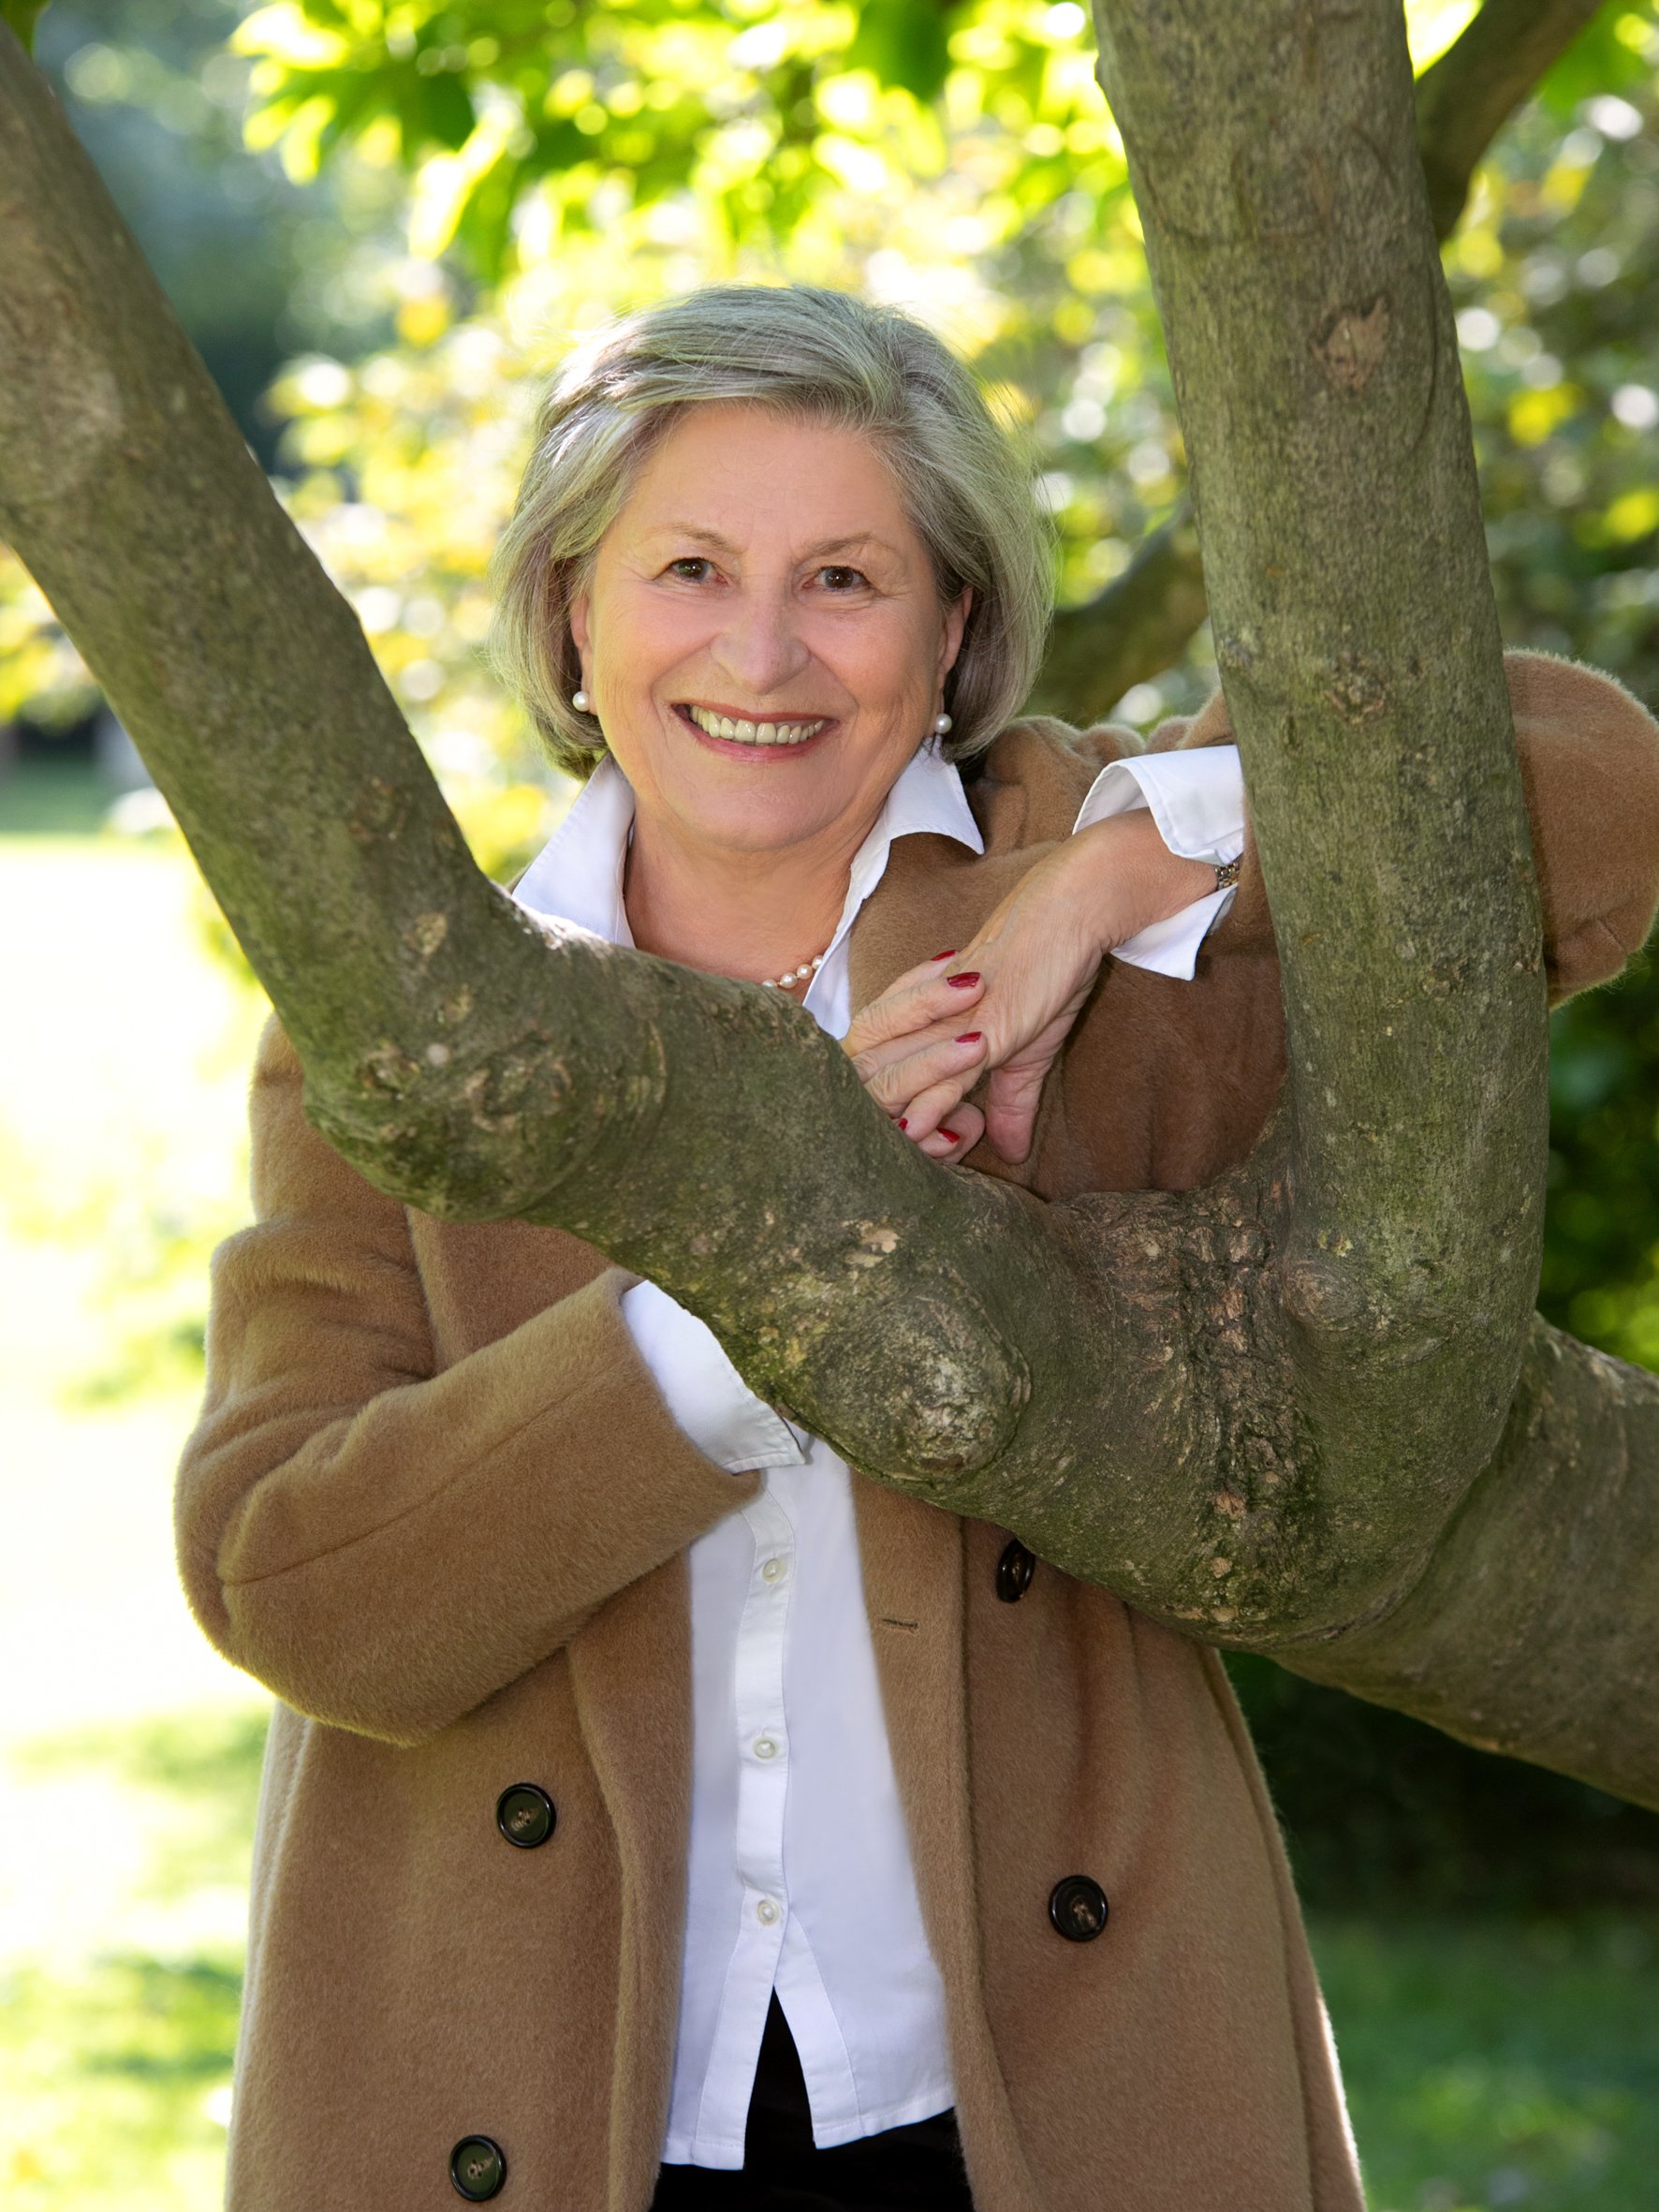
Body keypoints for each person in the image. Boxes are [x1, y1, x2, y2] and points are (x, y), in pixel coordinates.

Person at [176, 285, 1659, 2212]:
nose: (764, 651)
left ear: (955, 622)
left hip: (1056, 2084)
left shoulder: (1088, 885)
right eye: (690, 567)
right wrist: (762, 1290)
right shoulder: (425, 1024)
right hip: (524, 2101)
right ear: (570, 608)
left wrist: (1116, 880)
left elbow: (1596, 786)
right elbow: (291, 1578)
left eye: (848, 577)